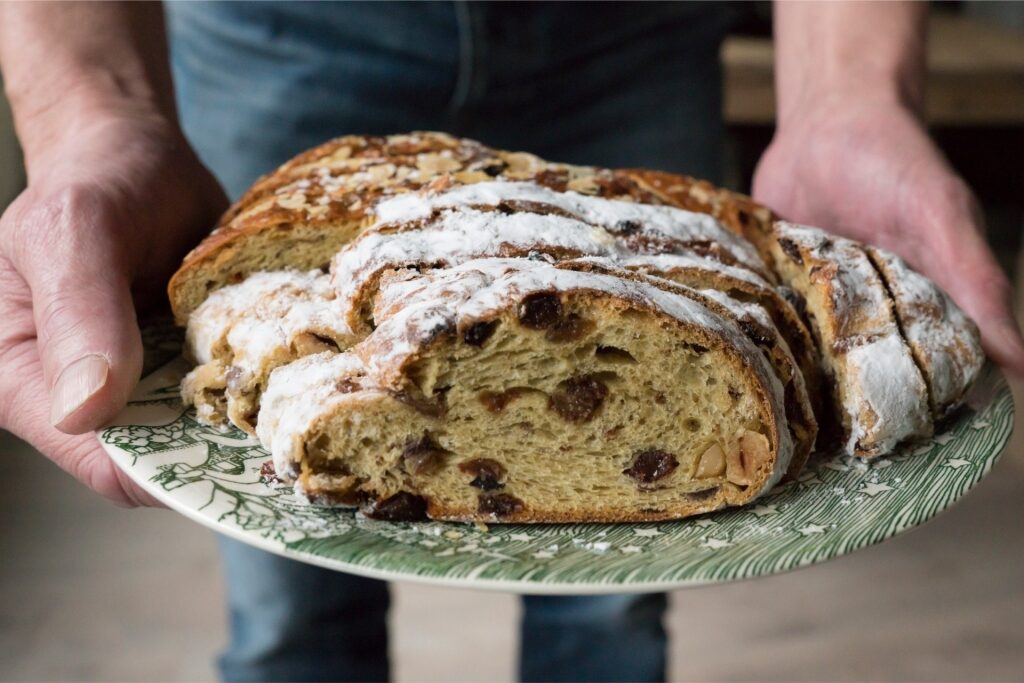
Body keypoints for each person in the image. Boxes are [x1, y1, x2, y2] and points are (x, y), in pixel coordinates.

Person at [1, 2, 1020, 682]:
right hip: (279, 27)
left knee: (613, 599)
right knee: (288, 590)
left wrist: (850, 93)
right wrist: (94, 118)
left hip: (632, 30)